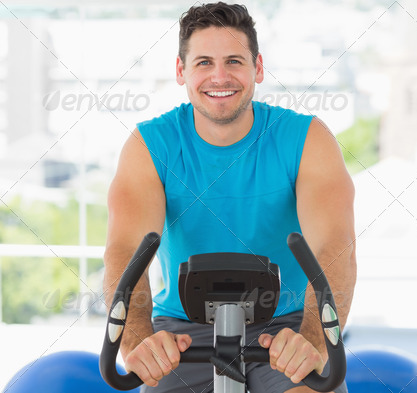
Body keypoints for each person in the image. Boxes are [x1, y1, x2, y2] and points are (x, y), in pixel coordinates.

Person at [103, 2, 356, 393]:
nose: (219, 76)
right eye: (204, 62)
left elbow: (334, 247)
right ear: (180, 71)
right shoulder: (149, 145)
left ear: (257, 68)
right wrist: (138, 342)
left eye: (234, 61)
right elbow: (125, 250)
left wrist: (313, 339)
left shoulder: (307, 140)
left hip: (287, 323)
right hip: (184, 329)